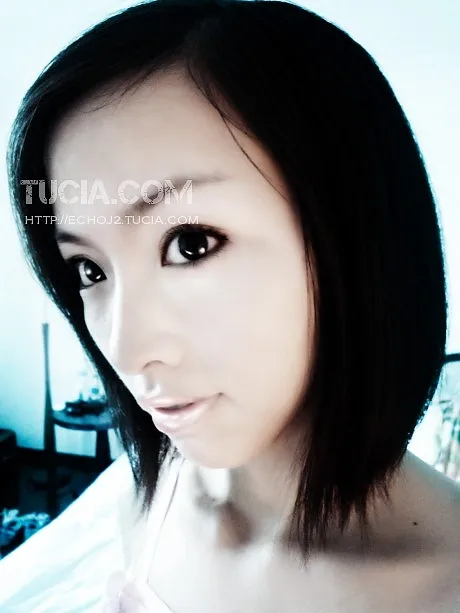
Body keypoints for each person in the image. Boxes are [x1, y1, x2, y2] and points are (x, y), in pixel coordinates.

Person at [6, 0, 459, 611]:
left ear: (356, 236)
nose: (126, 350)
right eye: (90, 270)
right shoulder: (149, 494)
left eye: (190, 244)